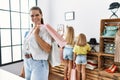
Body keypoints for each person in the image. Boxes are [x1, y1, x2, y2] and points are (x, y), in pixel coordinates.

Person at [22, 6, 53, 80]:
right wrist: (23, 69)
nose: (34, 17)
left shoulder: (45, 30)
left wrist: (36, 35)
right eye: (32, 16)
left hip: (39, 63)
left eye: (37, 15)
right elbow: (26, 49)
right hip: (27, 62)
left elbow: (48, 49)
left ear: (41, 15)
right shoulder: (30, 30)